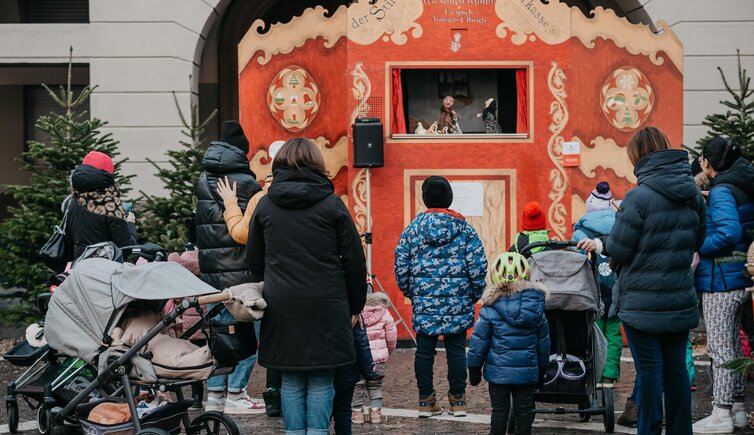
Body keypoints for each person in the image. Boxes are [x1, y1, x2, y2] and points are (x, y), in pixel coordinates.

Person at [576, 127, 705, 435]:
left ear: (638, 157)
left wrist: (608, 245)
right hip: (679, 298)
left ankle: (648, 429)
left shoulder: (638, 198)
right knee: (676, 370)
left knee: (649, 373)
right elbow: (698, 239)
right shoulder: (692, 195)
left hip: (641, 303)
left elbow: (620, 248)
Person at [245, 138, 367, 435]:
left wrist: (275, 279)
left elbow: (253, 259)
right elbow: (354, 260)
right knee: (322, 379)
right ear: (317, 164)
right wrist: (355, 305)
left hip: (282, 303)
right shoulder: (332, 204)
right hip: (328, 302)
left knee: (290, 379)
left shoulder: (265, 206)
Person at [394, 175, 487, 417]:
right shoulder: (465, 230)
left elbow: (401, 267)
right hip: (458, 302)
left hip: (424, 303)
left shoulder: (412, 230)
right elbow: (478, 267)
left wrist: (413, 294)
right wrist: (472, 295)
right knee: (456, 351)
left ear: (425, 199)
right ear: (449, 198)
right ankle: (458, 401)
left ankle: (426, 401)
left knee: (424, 352)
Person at [196, 120, 263, 413]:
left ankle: (214, 395)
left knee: (218, 333)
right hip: (241, 272)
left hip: (211, 272)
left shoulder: (203, 179)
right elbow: (250, 231)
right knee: (246, 333)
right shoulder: (246, 183)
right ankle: (236, 392)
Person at [216, 140, 284, 417]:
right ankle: (247, 394)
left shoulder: (262, 197)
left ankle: (218, 396)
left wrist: (230, 204)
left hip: (257, 276)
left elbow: (242, 234)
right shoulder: (324, 195)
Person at [693, 136, 754, 433]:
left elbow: (728, 232)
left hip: (721, 278)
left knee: (721, 349)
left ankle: (721, 415)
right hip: (739, 275)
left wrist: (700, 246)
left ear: (708, 162)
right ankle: (737, 410)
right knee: (734, 349)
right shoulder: (742, 185)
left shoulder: (721, 190)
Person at [467, 252, 550, 435]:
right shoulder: (537, 308)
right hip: (527, 373)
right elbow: (543, 344)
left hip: (498, 374)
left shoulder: (490, 309)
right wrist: (542, 369)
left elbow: (479, 342)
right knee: (524, 412)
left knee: (499, 412)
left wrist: (474, 368)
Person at [571, 181, 621, 387]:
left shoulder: (581, 232)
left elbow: (576, 262)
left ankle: (595, 374)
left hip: (592, 291)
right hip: (617, 289)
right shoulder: (620, 228)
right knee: (614, 334)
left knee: (594, 333)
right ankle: (609, 375)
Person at [65, 151, 137, 260]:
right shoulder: (110, 205)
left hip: (79, 266)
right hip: (105, 268)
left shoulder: (73, 200)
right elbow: (127, 247)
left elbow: (69, 240)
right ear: (106, 175)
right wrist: (130, 224)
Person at [351, 292, 397, 424]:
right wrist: (387, 352)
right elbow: (391, 336)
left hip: (358, 357)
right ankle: (376, 413)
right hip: (378, 358)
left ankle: (357, 413)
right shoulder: (384, 312)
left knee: (357, 384)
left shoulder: (354, 312)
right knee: (375, 384)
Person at [333, 321, 377, 435]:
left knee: (320, 410)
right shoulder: (352, 312)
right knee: (343, 410)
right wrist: (368, 370)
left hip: (318, 365)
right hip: (345, 364)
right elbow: (360, 340)